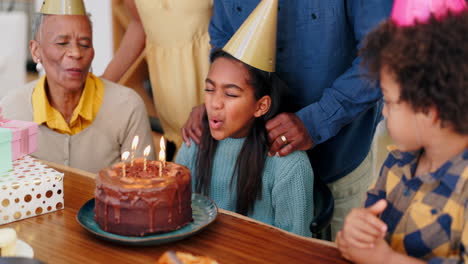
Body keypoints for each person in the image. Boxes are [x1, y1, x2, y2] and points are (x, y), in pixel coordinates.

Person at [182, 0, 393, 239]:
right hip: (251, 163)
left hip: (339, 156)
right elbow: (223, 37)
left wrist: (317, 121)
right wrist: (221, 99)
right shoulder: (196, 148)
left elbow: (382, 57)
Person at [337, 0, 468, 262]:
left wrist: (383, 259)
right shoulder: (396, 163)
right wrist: (355, 229)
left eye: (388, 101)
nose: (384, 113)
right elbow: (362, 232)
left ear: (428, 112)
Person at [176, 0, 314, 237]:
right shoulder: (195, 143)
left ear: (261, 106)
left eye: (230, 94)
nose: (215, 103)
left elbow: (295, 250)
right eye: (210, 89)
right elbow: (176, 217)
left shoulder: (288, 165)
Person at [0, 0, 155, 173]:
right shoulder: (11, 111)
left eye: (84, 44)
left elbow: (143, 188)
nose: (76, 53)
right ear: (36, 51)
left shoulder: (127, 107)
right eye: (62, 43)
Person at [102, 0, 212, 150]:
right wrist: (101, 84)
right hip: (169, 105)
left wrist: (218, 99)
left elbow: (235, 31)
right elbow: (139, 24)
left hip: (214, 95)